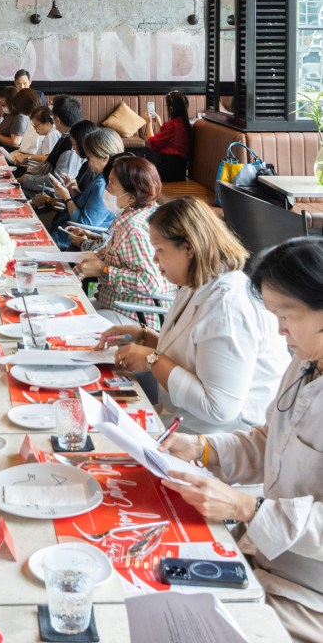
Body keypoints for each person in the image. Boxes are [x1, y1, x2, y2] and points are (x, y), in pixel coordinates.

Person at [159, 238, 323, 643]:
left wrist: (247, 507)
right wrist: (202, 448)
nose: (279, 329)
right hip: (263, 558)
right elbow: (271, 442)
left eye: (286, 315)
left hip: (308, 594)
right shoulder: (305, 364)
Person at [99, 196, 289, 432]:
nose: (154, 258)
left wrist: (152, 359)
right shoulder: (197, 283)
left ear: (188, 248)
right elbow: (196, 357)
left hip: (225, 435)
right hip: (187, 419)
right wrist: (145, 336)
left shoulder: (228, 308)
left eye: (159, 249)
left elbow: (219, 408)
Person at [74, 156, 175, 330]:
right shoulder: (139, 214)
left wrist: (103, 270)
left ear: (131, 198)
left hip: (137, 316)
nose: (106, 189)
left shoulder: (133, 228)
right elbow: (112, 253)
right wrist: (89, 261)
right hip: (117, 306)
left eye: (111, 185)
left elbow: (150, 282)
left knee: (72, 323)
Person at [50, 125, 123, 246]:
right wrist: (74, 191)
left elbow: (83, 223)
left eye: (89, 157)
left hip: (70, 239)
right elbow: (89, 206)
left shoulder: (103, 184)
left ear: (105, 158)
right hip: (67, 232)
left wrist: (66, 197)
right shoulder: (99, 177)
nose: (87, 161)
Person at [20, 95, 84, 196]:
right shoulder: (65, 136)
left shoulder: (72, 146)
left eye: (53, 118)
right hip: (42, 189)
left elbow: (58, 180)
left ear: (57, 120)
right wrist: (29, 175)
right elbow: (48, 163)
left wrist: (26, 180)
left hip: (50, 196)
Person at [143, 90, 192, 181]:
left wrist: (148, 123)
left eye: (166, 106)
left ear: (171, 109)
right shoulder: (184, 124)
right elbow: (168, 139)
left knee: (141, 174)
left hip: (168, 170)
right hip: (180, 170)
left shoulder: (173, 126)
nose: (166, 108)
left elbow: (153, 144)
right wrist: (159, 124)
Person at [0, 86, 35, 150]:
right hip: (1, 147)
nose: (2, 107)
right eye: (1, 104)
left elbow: (15, 143)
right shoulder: (9, 114)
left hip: (11, 152)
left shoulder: (20, 117)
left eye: (3, 105)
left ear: (11, 103)